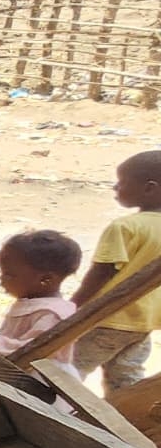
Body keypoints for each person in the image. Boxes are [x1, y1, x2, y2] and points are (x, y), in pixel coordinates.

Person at [74, 149, 161, 391]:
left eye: (121, 182)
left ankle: (51, 419)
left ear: (149, 188)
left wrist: (75, 304)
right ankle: (125, 422)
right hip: (146, 322)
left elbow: (103, 272)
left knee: (69, 370)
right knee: (125, 380)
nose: (115, 188)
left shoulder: (125, 227)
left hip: (109, 317)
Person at [0, 230, 83, 369]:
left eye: (9, 274)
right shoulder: (31, 302)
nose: (1, 279)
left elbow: (33, 351)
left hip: (40, 381)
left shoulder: (52, 314)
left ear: (45, 279)